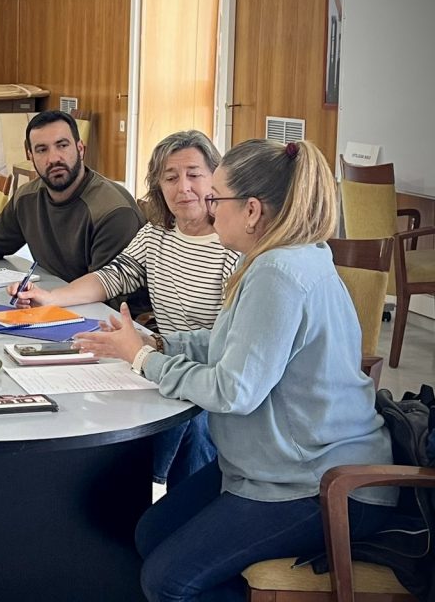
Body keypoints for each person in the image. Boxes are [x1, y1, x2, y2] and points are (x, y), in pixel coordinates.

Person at [76, 139, 396, 602]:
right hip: (272, 465)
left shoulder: (278, 273)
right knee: (150, 535)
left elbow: (234, 391)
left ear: (250, 211)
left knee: (167, 581)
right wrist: (158, 342)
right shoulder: (278, 256)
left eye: (216, 197)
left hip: (317, 482)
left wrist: (144, 360)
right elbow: (231, 344)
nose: (208, 206)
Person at [12, 130, 239, 486]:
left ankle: (173, 500)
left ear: (215, 178)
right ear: (158, 185)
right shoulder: (156, 234)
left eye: (194, 174)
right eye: (170, 177)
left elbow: (229, 341)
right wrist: (52, 298)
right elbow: (114, 276)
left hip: (207, 373)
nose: (184, 188)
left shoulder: (231, 245)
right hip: (159, 360)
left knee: (187, 423)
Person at [0, 110, 144, 285]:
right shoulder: (27, 197)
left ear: (80, 148)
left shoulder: (113, 212)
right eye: (41, 150)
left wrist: (47, 301)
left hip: (107, 319)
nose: (53, 158)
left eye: (62, 145)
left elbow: (107, 292)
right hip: (56, 302)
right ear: (29, 155)